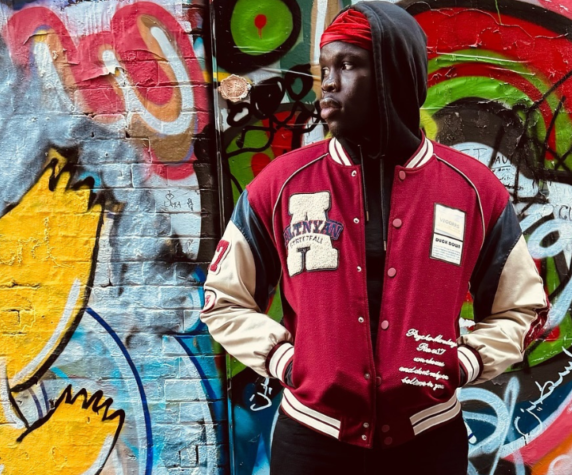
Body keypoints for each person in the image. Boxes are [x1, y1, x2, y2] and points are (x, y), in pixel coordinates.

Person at [201, 3, 548, 474]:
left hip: (427, 443)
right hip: (312, 444)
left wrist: (465, 361)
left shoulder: (471, 190)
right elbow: (224, 300)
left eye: (347, 65)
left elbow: (521, 308)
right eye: (325, 68)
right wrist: (286, 360)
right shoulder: (282, 185)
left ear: (394, 77)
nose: (328, 83)